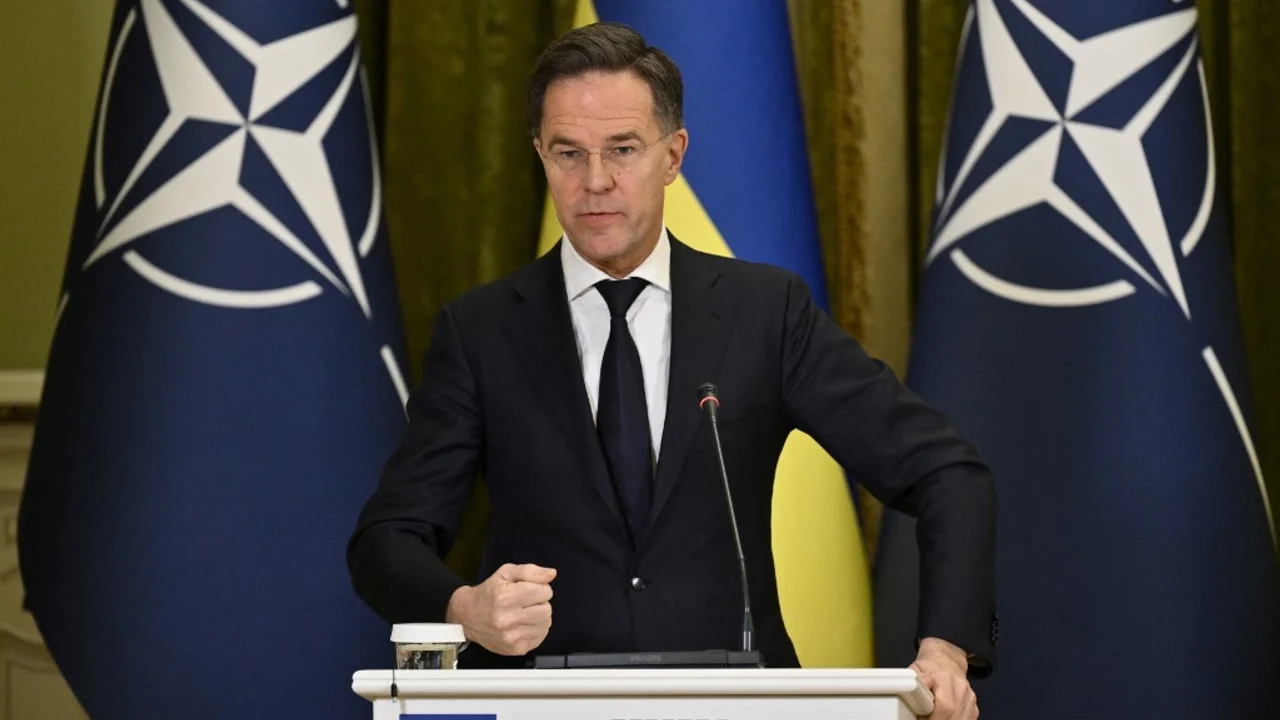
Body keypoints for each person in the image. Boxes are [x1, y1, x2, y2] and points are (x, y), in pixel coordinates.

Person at [348, 21, 996, 720]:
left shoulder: (763, 312)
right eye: (569, 153)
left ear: (673, 155)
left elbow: (944, 471)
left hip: (740, 706)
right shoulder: (480, 331)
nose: (595, 180)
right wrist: (463, 607)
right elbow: (386, 540)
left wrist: (946, 647)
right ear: (540, 155)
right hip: (539, 702)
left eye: (623, 149)